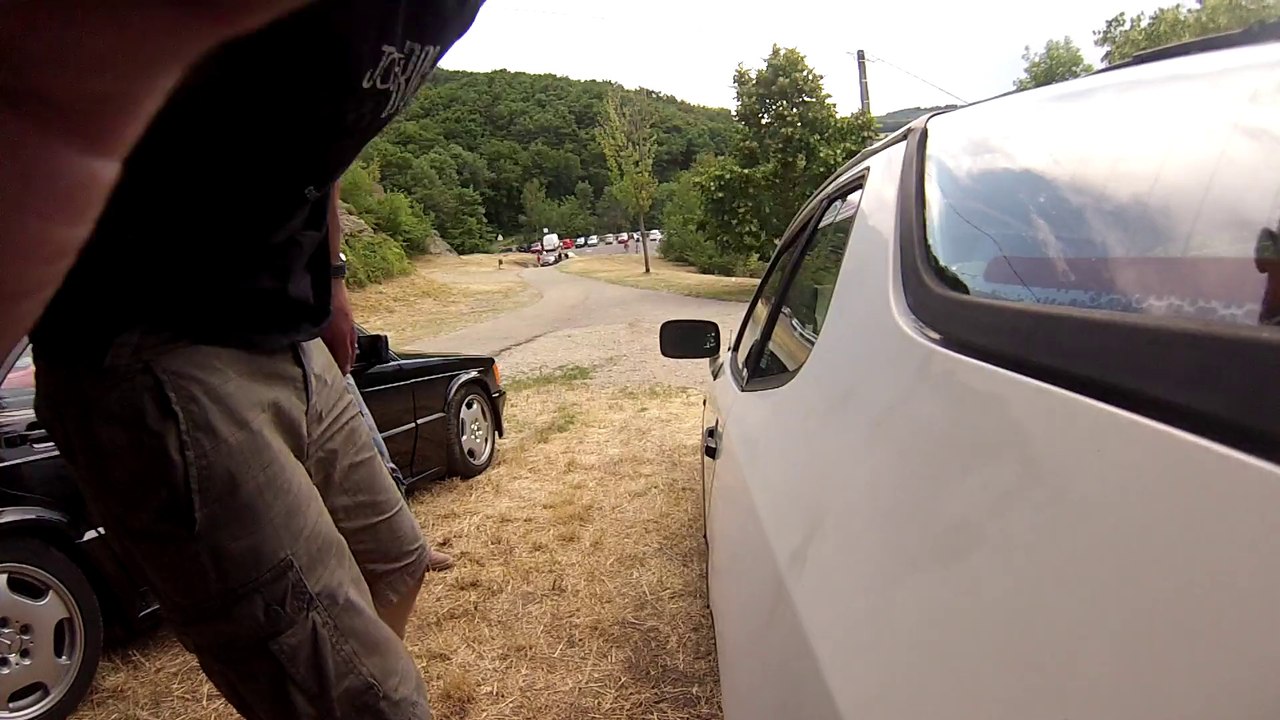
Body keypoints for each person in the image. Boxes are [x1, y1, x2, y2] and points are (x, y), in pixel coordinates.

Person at [2, 2, 484, 718]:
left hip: (286, 325)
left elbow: (331, 139)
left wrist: (336, 279)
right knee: (380, 704)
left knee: (398, 562)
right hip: (150, 340)